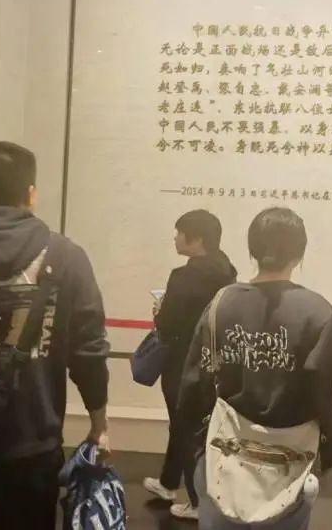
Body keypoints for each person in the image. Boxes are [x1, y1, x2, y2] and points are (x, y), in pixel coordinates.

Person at [0, 141, 110, 529]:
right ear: (29, 194)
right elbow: (88, 350)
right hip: (33, 439)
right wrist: (99, 423)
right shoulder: (64, 256)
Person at [178, 207, 332, 530]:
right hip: (290, 464)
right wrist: (328, 453)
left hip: (224, 457)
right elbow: (327, 396)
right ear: (299, 254)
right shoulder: (319, 313)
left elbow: (193, 387)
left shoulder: (221, 303)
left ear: (252, 250)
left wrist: (198, 449)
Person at [143, 209, 237, 521]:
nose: (175, 237)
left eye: (179, 232)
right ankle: (168, 482)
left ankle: (197, 502)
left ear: (196, 239)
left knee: (184, 428)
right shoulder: (227, 271)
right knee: (188, 424)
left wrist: (159, 310)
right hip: (216, 361)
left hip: (182, 360)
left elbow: (167, 323)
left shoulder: (183, 277)